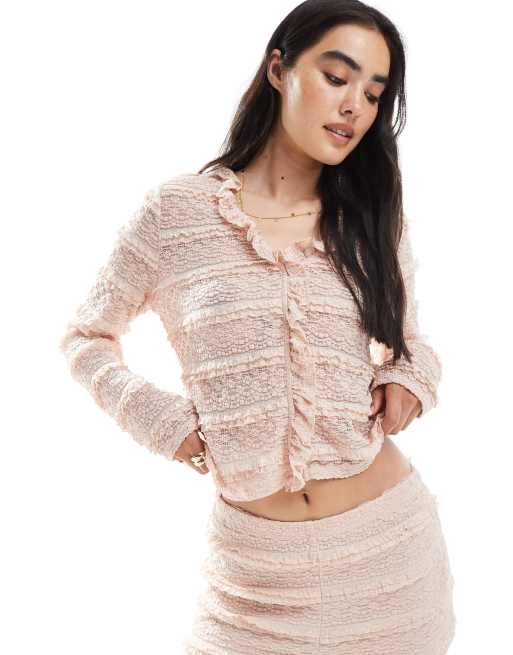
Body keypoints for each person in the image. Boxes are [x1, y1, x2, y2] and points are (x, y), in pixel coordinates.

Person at [59, 0, 456, 652]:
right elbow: (85, 337)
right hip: (252, 580)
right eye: (336, 77)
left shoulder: (370, 218)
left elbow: (410, 343)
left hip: (387, 558)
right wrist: (163, 422)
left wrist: (410, 379)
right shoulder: (178, 214)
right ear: (279, 69)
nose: (353, 106)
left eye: (372, 94)